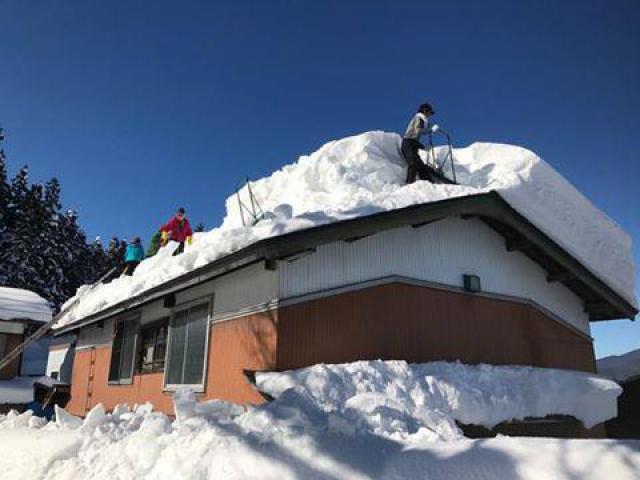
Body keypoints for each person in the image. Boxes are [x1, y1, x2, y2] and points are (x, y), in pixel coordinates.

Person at [402, 102, 440, 184]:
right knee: (413, 163)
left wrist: (422, 147)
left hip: (412, 143)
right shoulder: (419, 118)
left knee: (421, 166)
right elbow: (418, 130)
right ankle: (409, 184)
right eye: (429, 113)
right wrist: (431, 130)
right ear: (425, 111)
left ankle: (429, 183)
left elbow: (415, 137)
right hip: (408, 143)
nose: (430, 115)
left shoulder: (422, 120)